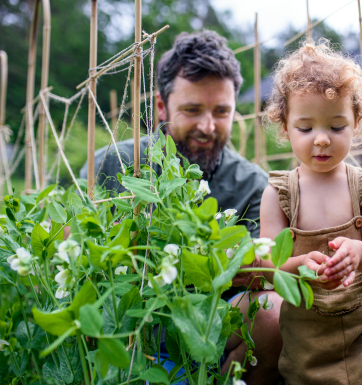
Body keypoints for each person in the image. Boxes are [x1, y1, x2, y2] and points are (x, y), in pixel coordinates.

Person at [79, 30, 283, 384]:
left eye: (221, 112)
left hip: (212, 334)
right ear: (162, 106)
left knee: (274, 313)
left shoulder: (253, 185)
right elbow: (84, 258)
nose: (207, 127)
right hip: (128, 330)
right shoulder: (113, 166)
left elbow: (259, 274)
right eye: (192, 110)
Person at [259, 41, 362, 384]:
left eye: (336, 127)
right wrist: (296, 266)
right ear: (285, 127)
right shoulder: (277, 195)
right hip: (309, 339)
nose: (321, 140)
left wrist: (358, 251)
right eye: (306, 128)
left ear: (357, 124)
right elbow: (268, 268)